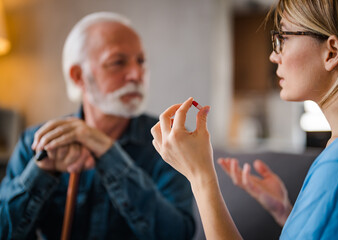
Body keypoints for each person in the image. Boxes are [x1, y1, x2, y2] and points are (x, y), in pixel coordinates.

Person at [151, 0, 338, 239]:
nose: (273, 56)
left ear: (331, 52)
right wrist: (288, 213)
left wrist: (200, 176)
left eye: (283, 38)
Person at [0, 12, 195, 240]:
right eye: (118, 62)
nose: (136, 74)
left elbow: (179, 235)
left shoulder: (168, 140)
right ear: (78, 76)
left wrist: (109, 153)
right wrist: (42, 172)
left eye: (141, 61)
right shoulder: (36, 142)